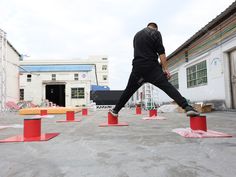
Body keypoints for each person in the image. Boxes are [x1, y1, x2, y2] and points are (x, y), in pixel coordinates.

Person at [109, 22, 199, 117]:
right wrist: (166, 69)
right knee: (168, 87)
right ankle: (187, 108)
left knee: (128, 90)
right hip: (152, 68)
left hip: (138, 68)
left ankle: (115, 110)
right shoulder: (155, 33)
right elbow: (161, 53)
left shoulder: (136, 35)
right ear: (155, 28)